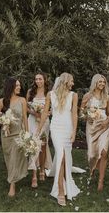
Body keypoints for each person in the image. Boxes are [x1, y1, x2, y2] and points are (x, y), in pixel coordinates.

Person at [36, 72, 80, 206]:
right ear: (65, 81)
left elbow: (74, 114)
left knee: (65, 156)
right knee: (60, 155)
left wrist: (73, 132)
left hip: (67, 129)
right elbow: (45, 112)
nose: (73, 83)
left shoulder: (74, 95)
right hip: (55, 128)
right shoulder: (51, 94)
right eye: (71, 81)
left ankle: (65, 179)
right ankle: (60, 190)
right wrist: (39, 129)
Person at [80, 74, 109, 191]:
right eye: (100, 82)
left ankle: (101, 181)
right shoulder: (87, 96)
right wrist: (87, 117)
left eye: (104, 82)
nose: (102, 84)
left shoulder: (107, 97)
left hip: (103, 127)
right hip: (92, 127)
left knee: (103, 152)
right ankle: (92, 168)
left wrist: (107, 121)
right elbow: (81, 112)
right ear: (95, 83)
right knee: (92, 154)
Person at [0, 77, 29, 197]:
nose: (19, 87)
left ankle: (12, 185)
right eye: (16, 85)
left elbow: (25, 118)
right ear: (10, 86)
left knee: (15, 158)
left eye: (19, 85)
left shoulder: (22, 100)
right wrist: (3, 120)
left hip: (18, 133)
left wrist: (27, 134)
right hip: (6, 135)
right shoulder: (1, 101)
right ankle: (13, 176)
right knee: (9, 158)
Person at [26, 72, 52, 188]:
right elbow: (26, 107)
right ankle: (34, 175)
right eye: (36, 79)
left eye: (40, 79)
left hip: (44, 122)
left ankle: (42, 169)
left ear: (45, 80)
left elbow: (52, 109)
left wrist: (46, 113)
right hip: (32, 120)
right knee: (33, 146)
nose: (38, 81)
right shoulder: (30, 92)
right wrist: (34, 113)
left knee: (42, 146)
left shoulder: (49, 93)